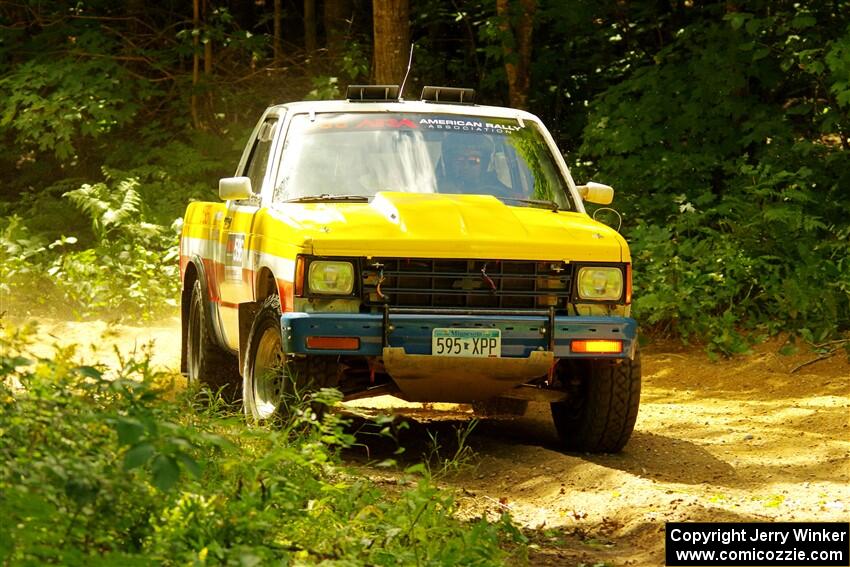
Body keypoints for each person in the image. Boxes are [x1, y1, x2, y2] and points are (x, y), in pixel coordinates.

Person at [438, 134, 512, 197]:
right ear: (449, 163)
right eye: (460, 160)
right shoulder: (434, 190)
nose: (466, 166)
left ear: (484, 164)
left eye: (473, 160)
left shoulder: (500, 192)